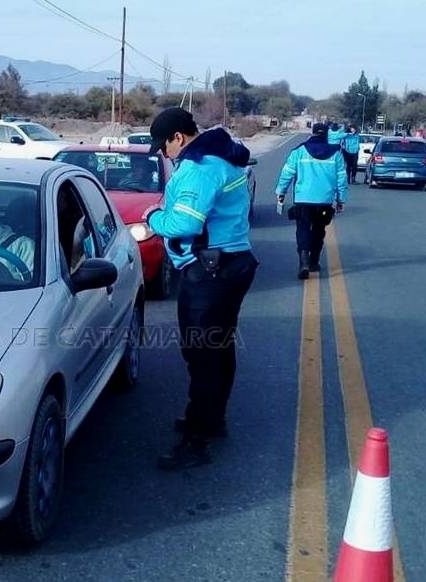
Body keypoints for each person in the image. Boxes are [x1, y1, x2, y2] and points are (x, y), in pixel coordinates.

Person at [143, 107, 259, 470]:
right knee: (219, 348)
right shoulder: (220, 156)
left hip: (211, 271)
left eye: (163, 146)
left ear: (178, 137)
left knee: (202, 354)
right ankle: (212, 418)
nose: (164, 155)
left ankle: (196, 441)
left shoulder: (199, 167)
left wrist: (152, 217)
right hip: (230, 263)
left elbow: (184, 224)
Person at [275, 123, 349, 279]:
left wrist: (281, 192)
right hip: (324, 201)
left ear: (312, 133)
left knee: (302, 229)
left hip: (303, 200)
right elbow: (342, 179)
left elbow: (287, 174)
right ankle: (314, 261)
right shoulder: (336, 154)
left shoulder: (299, 151)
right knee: (319, 230)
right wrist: (341, 200)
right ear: (326, 135)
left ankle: (303, 260)